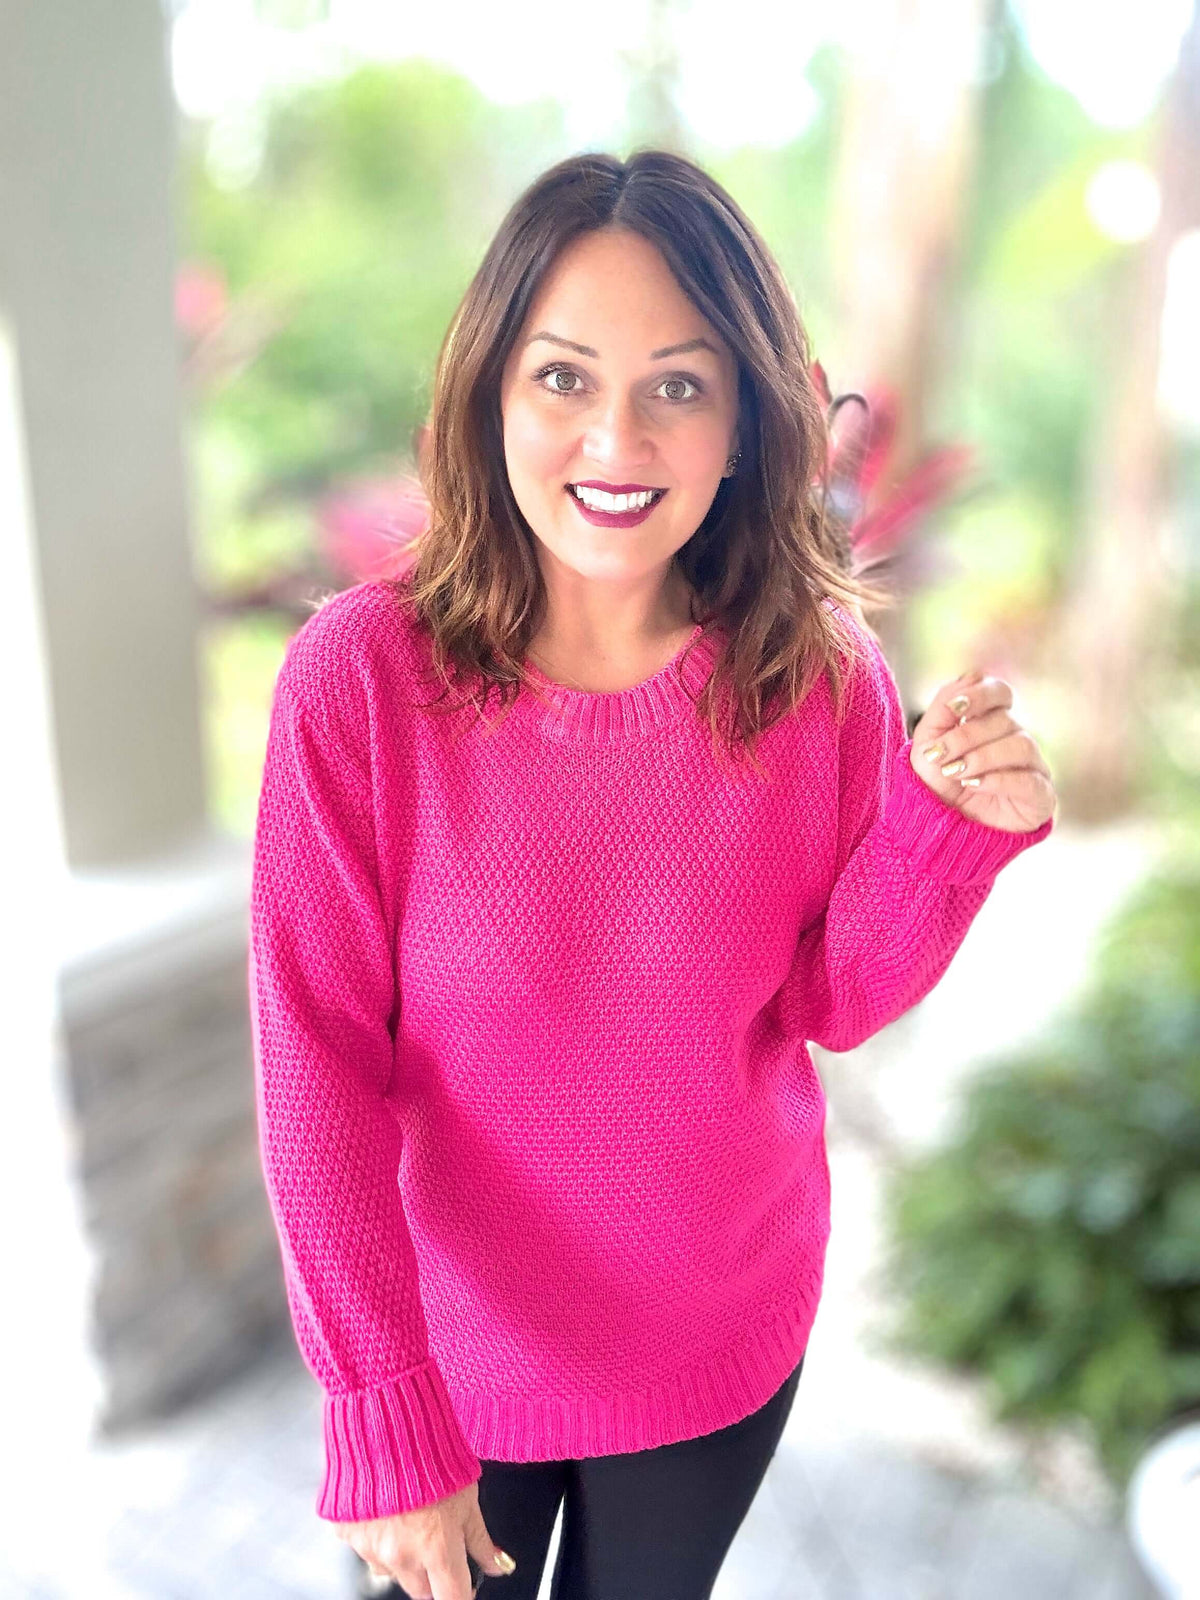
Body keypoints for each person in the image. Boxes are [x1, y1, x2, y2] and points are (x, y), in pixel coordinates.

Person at [248, 148, 1057, 1600]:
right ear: (491, 393)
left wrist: (941, 834)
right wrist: (381, 1404)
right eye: (562, 378)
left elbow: (831, 997)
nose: (615, 439)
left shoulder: (820, 679)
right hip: (456, 1354)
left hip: (713, 1331)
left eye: (678, 384)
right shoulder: (358, 682)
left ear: (747, 417)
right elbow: (312, 1062)